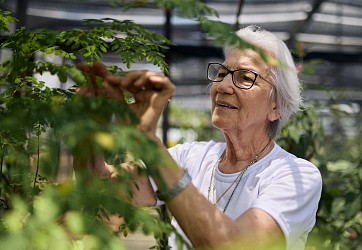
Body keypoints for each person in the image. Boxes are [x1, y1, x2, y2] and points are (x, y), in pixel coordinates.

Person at [76, 25, 322, 250]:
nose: (223, 86)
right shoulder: (190, 157)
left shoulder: (295, 176)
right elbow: (100, 192)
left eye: (245, 78)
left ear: (277, 107)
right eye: (222, 73)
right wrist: (88, 130)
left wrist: (146, 141)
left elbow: (231, 245)